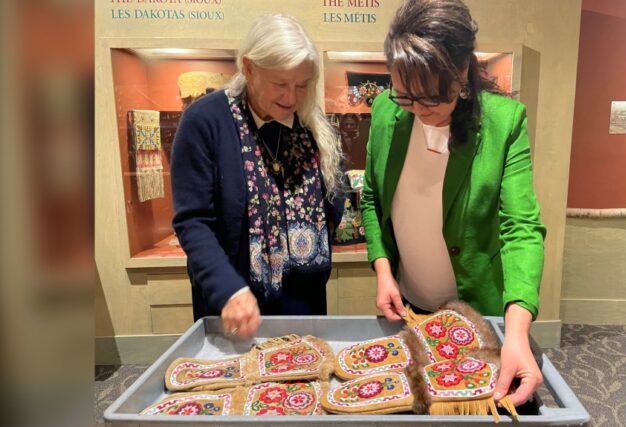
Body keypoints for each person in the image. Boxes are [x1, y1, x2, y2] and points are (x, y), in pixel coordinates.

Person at [361, 0, 547, 408]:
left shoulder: (504, 123)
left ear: (463, 72)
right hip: (409, 308)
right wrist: (383, 269)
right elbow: (373, 196)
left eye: (432, 98)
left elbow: (522, 229)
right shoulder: (384, 111)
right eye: (406, 97)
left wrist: (516, 333)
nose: (420, 112)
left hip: (480, 316)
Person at [171, 14, 344, 338]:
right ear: (249, 68)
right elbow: (193, 221)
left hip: (303, 300)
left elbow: (336, 188)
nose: (292, 97)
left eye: (302, 84)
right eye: (281, 84)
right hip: (238, 301)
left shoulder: (308, 119)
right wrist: (228, 290)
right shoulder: (205, 121)